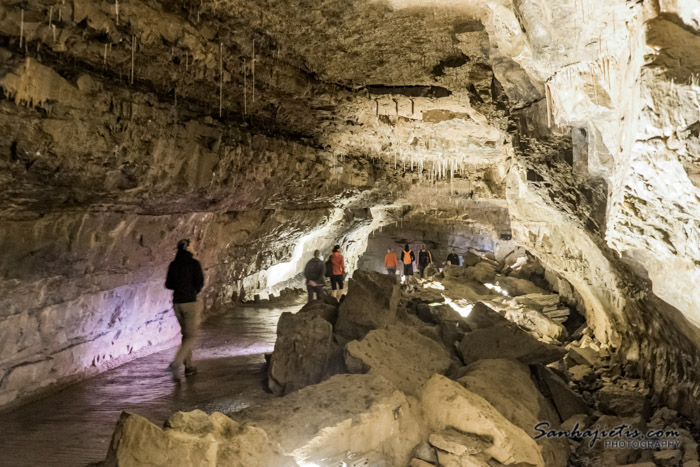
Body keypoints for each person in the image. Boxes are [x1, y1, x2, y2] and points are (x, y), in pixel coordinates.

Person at [165, 239, 204, 382]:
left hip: (177, 303)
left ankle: (188, 366)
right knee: (191, 336)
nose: (193, 248)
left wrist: (180, 287)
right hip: (189, 302)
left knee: (185, 335)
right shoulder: (194, 264)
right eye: (192, 245)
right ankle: (176, 363)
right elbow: (199, 283)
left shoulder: (173, 265)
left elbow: (168, 284)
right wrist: (192, 291)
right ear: (186, 248)